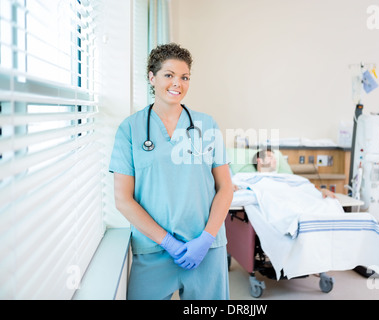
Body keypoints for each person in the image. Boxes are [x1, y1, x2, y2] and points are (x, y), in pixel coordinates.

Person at [109, 43, 233, 300]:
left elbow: (225, 188)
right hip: (153, 250)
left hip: (206, 249)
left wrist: (206, 239)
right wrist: (168, 243)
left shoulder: (206, 125)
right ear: (151, 77)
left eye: (184, 77)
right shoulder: (129, 129)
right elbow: (123, 199)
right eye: (169, 75)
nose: (178, 83)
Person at [233, 147, 336, 198]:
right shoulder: (247, 176)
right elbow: (233, 186)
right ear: (259, 160)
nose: (274, 160)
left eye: (274, 157)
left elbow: (303, 185)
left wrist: (320, 191)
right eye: (269, 157)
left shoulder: (286, 177)